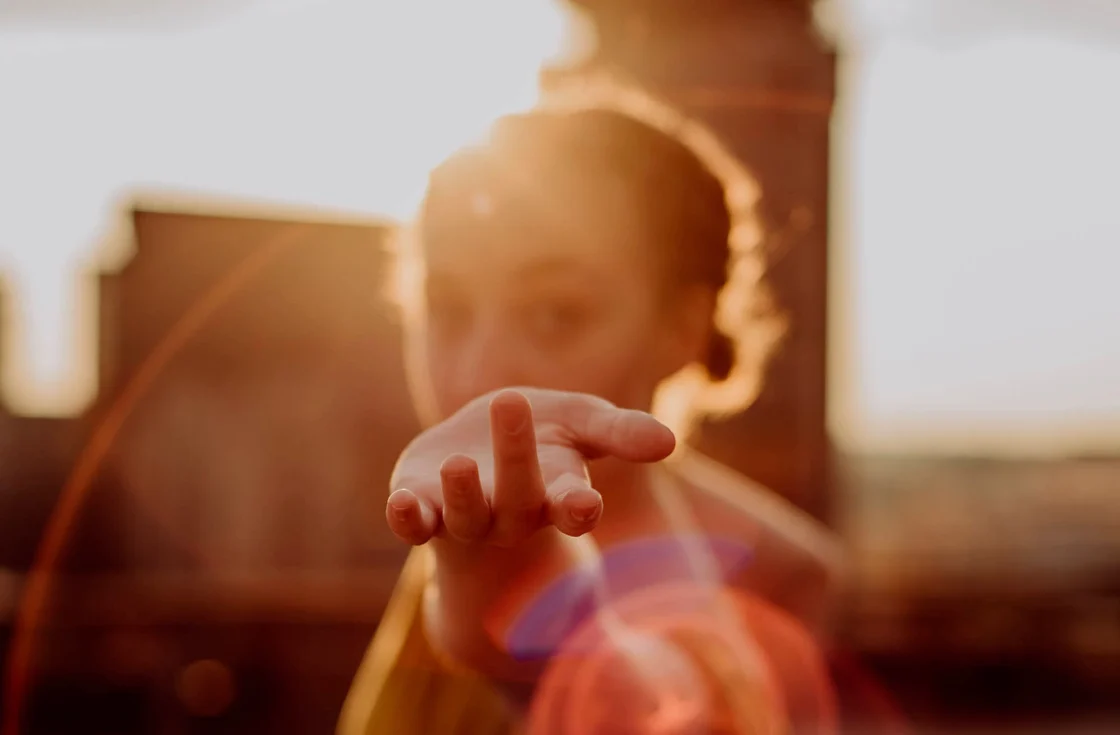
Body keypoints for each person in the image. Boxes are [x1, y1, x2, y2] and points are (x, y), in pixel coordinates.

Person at [337, 79, 845, 735]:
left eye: (556, 313)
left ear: (680, 330)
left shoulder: (776, 571)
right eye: (449, 308)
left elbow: (663, 698)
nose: (482, 370)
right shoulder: (464, 506)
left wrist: (536, 628)